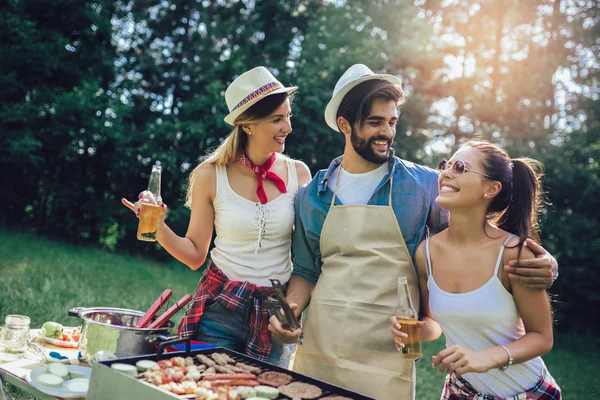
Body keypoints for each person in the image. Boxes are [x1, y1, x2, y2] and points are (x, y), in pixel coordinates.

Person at [268, 64, 559, 399]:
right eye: (375, 122)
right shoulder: (311, 195)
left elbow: (476, 231)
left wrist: (542, 258)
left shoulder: (426, 185)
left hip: (387, 354)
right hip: (321, 346)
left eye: (392, 121)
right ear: (345, 125)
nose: (387, 132)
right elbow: (305, 270)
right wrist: (288, 312)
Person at [123, 66, 311, 367]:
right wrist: (156, 226)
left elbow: (306, 258)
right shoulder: (210, 176)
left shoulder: (299, 174)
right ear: (247, 125)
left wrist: (293, 309)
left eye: (288, 116)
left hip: (273, 311)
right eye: (277, 119)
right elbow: (196, 254)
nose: (287, 126)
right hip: (221, 305)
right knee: (206, 388)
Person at [391, 139, 561, 399]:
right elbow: (433, 323)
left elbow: (542, 337)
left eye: (460, 167)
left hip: (525, 391)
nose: (445, 172)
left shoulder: (513, 254)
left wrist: (485, 358)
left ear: (491, 188)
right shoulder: (426, 253)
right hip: (463, 391)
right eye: (445, 165)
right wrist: (412, 330)